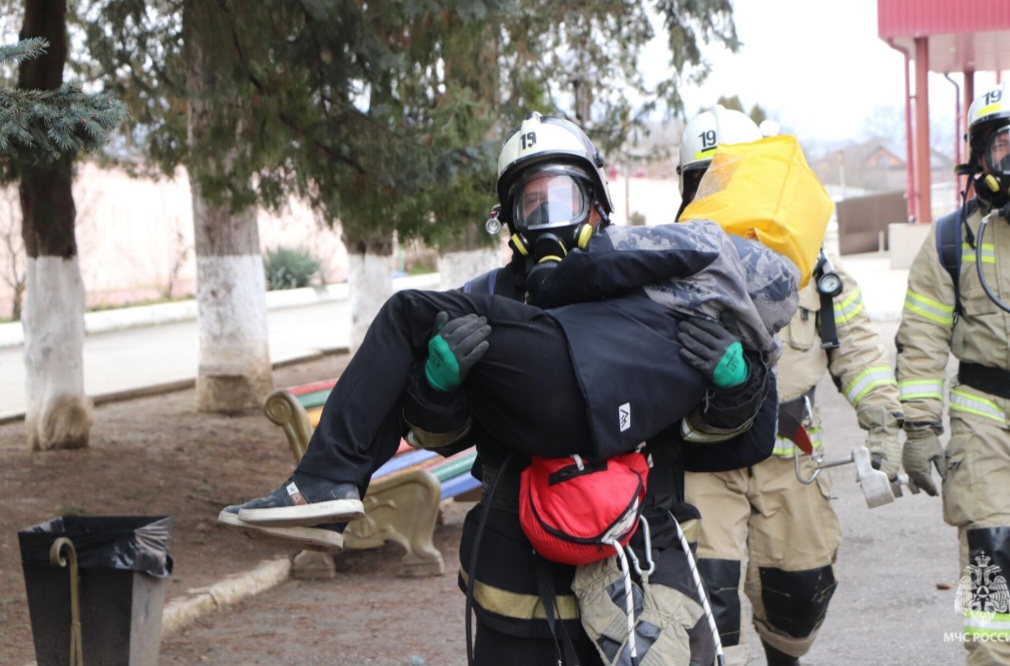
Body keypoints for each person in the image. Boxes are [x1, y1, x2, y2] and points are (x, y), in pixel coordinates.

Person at [677, 106, 904, 666]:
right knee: (706, 605)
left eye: (727, 178)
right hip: (706, 460)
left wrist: (888, 427)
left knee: (798, 599)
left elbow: (858, 353)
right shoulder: (666, 271)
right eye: (704, 182)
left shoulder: (811, 268)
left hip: (794, 462)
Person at [896, 81, 1010, 666]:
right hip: (984, 419)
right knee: (992, 557)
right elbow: (921, 338)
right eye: (1004, 147)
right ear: (979, 153)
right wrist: (918, 427)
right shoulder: (950, 240)